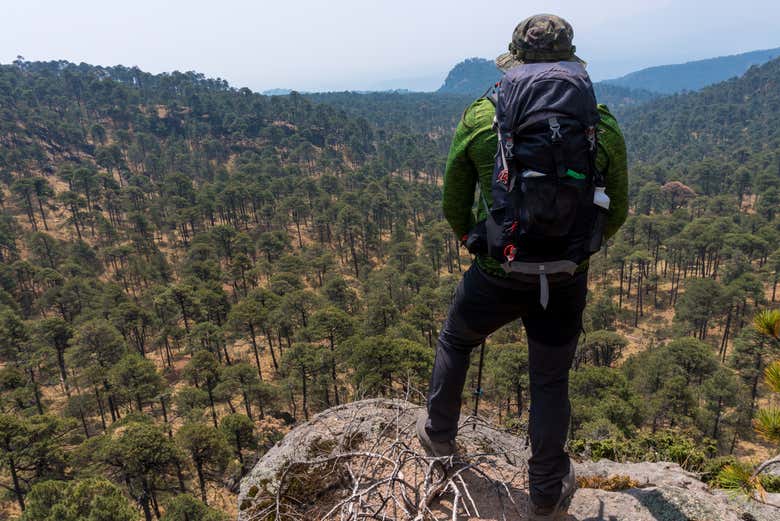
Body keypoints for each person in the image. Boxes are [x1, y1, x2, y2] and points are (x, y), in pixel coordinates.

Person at [416, 14, 629, 521]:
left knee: (457, 340)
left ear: (515, 59)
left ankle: (439, 437)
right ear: (570, 61)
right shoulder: (599, 121)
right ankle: (545, 494)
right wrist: (577, 254)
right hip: (564, 277)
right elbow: (616, 208)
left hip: (498, 271)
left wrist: (475, 239)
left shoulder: (482, 117)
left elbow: (453, 198)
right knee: (550, 380)